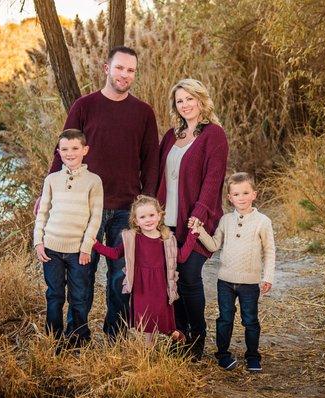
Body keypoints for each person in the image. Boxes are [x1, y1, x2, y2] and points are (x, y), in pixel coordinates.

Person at [35, 46, 159, 340]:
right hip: (82, 208)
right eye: (119, 68)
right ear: (107, 68)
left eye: (130, 70)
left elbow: (151, 160)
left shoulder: (143, 113)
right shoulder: (84, 106)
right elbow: (62, 150)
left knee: (120, 275)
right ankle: (78, 334)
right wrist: (46, 191)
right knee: (83, 275)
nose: (124, 75)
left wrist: (147, 202)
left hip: (125, 207)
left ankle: (115, 334)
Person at [156, 78, 229, 360]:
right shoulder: (171, 136)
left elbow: (213, 181)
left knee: (188, 276)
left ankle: (197, 338)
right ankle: (180, 334)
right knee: (171, 278)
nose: (185, 105)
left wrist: (198, 217)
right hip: (168, 221)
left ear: (201, 100)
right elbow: (158, 176)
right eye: (180, 101)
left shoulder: (214, 135)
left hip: (196, 220)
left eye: (190, 99)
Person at [189, 172, 275, 372]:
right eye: (236, 194)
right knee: (225, 318)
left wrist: (267, 277)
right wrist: (199, 231)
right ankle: (223, 355)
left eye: (246, 193)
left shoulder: (263, 221)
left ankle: (253, 356)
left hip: (250, 282)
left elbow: (270, 250)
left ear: (254, 194)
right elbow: (213, 246)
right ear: (229, 198)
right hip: (225, 281)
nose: (241, 198)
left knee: (250, 320)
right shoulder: (225, 220)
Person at [33, 129, 103, 346]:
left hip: (77, 251)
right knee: (54, 294)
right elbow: (42, 212)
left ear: (85, 150)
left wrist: (86, 247)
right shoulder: (52, 179)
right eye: (64, 149)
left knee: (79, 297)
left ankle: (78, 338)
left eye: (74, 148)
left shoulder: (94, 181)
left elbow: (96, 217)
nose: (70, 153)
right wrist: (38, 241)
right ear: (58, 152)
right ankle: (52, 338)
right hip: (51, 247)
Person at [93, 195, 195, 343]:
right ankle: (148, 348)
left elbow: (181, 257)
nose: (148, 220)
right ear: (136, 221)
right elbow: (115, 254)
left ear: (159, 216)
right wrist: (96, 245)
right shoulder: (132, 238)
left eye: (152, 215)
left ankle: (172, 332)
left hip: (160, 284)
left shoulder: (166, 238)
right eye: (143, 217)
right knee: (145, 318)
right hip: (141, 285)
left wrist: (192, 236)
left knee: (160, 315)